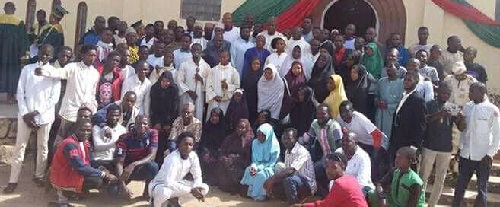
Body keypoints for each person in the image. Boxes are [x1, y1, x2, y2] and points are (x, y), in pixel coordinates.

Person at [4, 45, 61, 193]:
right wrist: (25, 114)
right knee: (20, 147)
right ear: (39, 53)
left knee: (42, 147)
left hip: (45, 116)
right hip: (25, 115)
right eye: (43, 53)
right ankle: (13, 180)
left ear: (52, 56)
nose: (44, 56)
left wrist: (36, 112)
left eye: (48, 54)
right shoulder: (27, 70)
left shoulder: (54, 73)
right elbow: (20, 92)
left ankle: (39, 175)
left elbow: (53, 98)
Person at [35, 44, 100, 145]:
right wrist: (43, 71)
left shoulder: (95, 73)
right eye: (89, 55)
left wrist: (93, 109)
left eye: (94, 55)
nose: (92, 58)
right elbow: (59, 72)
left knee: (80, 144)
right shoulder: (73, 67)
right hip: (70, 112)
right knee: (61, 143)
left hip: (85, 115)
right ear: (82, 55)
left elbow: (92, 94)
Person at [47, 119, 118, 207]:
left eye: (88, 130)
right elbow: (80, 167)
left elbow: (87, 161)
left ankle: (68, 196)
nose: (86, 133)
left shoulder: (82, 142)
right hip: (63, 177)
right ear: (76, 129)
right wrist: (103, 174)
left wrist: (101, 168)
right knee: (98, 181)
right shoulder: (70, 144)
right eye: (82, 130)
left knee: (104, 167)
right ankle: (64, 194)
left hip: (70, 172)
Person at [452, 82, 500, 207]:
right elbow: (463, 130)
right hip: (466, 155)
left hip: (483, 157)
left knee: (481, 190)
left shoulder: (492, 110)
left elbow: (497, 135)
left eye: (472, 91)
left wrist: (490, 155)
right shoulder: (467, 106)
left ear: (481, 93)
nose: (469, 94)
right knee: (460, 187)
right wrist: (460, 148)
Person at [419, 82, 461, 207]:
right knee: (423, 177)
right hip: (429, 146)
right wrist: (439, 115)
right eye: (443, 93)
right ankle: (420, 202)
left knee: (440, 179)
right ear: (438, 92)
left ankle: (432, 204)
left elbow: (459, 126)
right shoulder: (429, 104)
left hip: (445, 148)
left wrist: (460, 118)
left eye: (448, 94)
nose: (446, 96)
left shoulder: (452, 107)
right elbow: (424, 120)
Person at [149, 132, 209, 207]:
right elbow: (169, 183)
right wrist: (191, 190)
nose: (188, 147)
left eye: (190, 145)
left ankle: (174, 202)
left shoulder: (193, 156)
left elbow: (197, 176)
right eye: (185, 144)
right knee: (164, 192)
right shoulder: (172, 158)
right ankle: (155, 203)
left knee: (204, 188)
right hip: (160, 185)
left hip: (177, 184)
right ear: (179, 145)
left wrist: (196, 188)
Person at [293, 153, 369, 207]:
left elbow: (326, 205)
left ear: (343, 167)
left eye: (334, 167)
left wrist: (302, 206)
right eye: (327, 167)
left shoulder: (340, 183)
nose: (329, 171)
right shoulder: (351, 179)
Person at [264, 128, 316, 204]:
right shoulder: (287, 151)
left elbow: (291, 170)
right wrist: (272, 181)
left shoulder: (302, 151)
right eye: (284, 138)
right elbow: (286, 171)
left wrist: (272, 179)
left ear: (295, 139)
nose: (285, 141)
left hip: (307, 184)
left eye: (289, 138)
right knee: (275, 185)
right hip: (295, 180)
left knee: (287, 180)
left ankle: (294, 204)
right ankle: (292, 200)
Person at [301, 104, 342, 197]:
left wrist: (334, 163)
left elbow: (340, 147)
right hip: (324, 159)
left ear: (329, 114)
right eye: (318, 113)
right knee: (310, 173)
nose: (320, 116)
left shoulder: (334, 126)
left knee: (332, 176)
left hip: (336, 159)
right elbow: (310, 140)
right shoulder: (314, 124)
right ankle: (324, 196)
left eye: (323, 114)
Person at [115, 115, 160, 199]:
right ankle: (123, 187)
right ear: (134, 125)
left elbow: (152, 156)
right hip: (126, 171)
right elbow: (119, 163)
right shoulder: (124, 138)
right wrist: (123, 185)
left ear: (148, 125)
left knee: (153, 166)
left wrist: (134, 164)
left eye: (145, 123)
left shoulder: (153, 133)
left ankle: (147, 191)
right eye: (139, 123)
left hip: (141, 167)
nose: (142, 126)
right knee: (114, 192)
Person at [389, 71, 427, 166]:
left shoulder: (418, 100)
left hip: (408, 144)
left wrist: (414, 147)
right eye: (405, 80)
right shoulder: (404, 96)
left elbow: (421, 126)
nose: (406, 82)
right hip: (397, 141)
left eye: (409, 80)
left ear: (416, 81)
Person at [240, 123, 280, 201]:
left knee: (261, 175)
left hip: (270, 168)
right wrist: (254, 167)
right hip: (257, 165)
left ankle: (261, 195)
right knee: (248, 170)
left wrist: (260, 168)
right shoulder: (255, 143)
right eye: (258, 135)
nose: (259, 138)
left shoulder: (274, 145)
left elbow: (272, 162)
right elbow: (254, 159)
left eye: (262, 136)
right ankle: (251, 193)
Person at [0, 2, 29, 104]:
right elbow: (23, 39)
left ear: (4, 9)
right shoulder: (18, 22)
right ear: (14, 9)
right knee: (12, 74)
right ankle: (10, 97)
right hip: (13, 54)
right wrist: (24, 53)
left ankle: (10, 96)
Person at [217, 119, 254, 194]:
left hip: (242, 163)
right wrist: (225, 159)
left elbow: (249, 158)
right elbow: (222, 151)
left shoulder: (250, 141)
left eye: (242, 128)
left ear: (247, 128)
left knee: (235, 169)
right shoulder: (230, 138)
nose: (240, 129)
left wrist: (235, 159)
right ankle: (227, 186)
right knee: (222, 164)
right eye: (238, 127)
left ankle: (236, 187)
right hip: (228, 161)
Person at [149, 71, 180, 162]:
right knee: (157, 142)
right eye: (163, 81)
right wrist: (157, 122)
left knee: (168, 144)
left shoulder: (174, 89)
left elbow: (175, 109)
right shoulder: (155, 88)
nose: (166, 83)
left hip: (169, 121)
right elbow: (153, 107)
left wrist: (169, 124)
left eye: (168, 81)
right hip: (157, 120)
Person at [177, 43, 209, 121]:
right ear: (191, 51)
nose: (196, 51)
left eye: (198, 50)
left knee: (197, 116)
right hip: (187, 95)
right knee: (185, 115)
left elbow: (209, 82)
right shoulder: (184, 64)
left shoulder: (206, 66)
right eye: (194, 50)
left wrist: (201, 79)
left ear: (202, 51)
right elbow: (179, 80)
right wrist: (189, 91)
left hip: (199, 96)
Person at [205, 50, 240, 117]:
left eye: (224, 57)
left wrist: (228, 86)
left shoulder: (233, 71)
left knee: (224, 118)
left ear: (228, 57)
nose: (222, 59)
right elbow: (208, 85)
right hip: (214, 100)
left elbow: (237, 86)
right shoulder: (213, 70)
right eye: (220, 57)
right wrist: (214, 96)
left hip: (226, 101)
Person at [91, 104, 126, 169]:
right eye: (111, 115)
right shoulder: (97, 128)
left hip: (115, 162)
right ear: (107, 115)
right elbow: (97, 147)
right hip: (99, 160)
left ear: (120, 116)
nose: (113, 118)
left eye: (116, 115)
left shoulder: (123, 130)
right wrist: (116, 142)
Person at [199, 108, 228, 185]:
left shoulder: (224, 128)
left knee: (216, 159)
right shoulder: (207, 126)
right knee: (202, 156)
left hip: (219, 151)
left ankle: (214, 180)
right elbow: (203, 142)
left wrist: (213, 154)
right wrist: (206, 152)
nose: (214, 118)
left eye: (216, 116)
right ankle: (203, 178)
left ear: (220, 117)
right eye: (212, 116)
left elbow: (224, 145)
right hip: (207, 150)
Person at [375, 62, 404, 139]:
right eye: (387, 67)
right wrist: (377, 102)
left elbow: (402, 102)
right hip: (380, 113)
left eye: (391, 67)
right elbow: (376, 96)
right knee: (378, 136)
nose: (388, 69)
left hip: (392, 115)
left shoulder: (401, 83)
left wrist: (388, 106)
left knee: (389, 137)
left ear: (397, 70)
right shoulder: (381, 81)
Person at [241, 58, 262, 123]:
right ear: (251, 64)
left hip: (258, 100)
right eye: (254, 63)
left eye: (258, 64)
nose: (256, 65)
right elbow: (242, 87)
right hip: (247, 100)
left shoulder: (262, 76)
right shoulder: (246, 74)